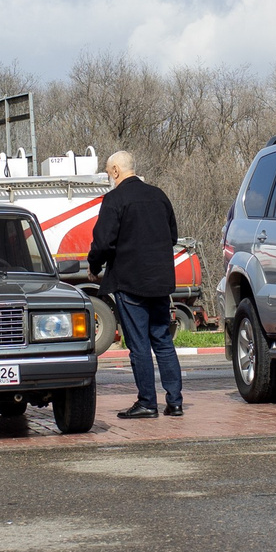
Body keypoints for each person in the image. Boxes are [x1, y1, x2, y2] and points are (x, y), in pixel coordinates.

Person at [88, 150, 182, 419]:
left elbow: (103, 242)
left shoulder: (115, 199)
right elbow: (172, 236)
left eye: (108, 172)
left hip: (130, 282)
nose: (109, 177)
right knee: (163, 340)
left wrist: (94, 268)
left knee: (139, 345)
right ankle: (175, 402)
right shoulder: (159, 196)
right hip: (161, 281)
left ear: (116, 170)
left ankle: (147, 403)